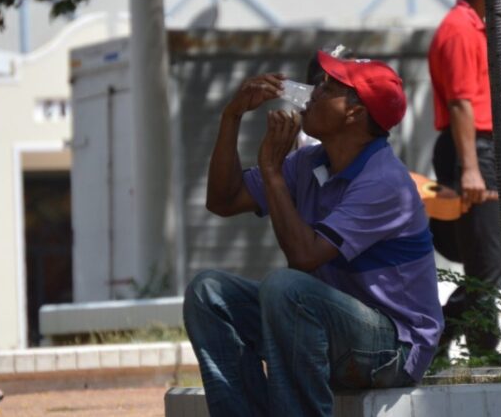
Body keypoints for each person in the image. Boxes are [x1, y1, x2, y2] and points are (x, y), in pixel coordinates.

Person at [183, 50, 443, 417]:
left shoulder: (383, 181)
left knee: (286, 288)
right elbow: (222, 201)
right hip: (332, 328)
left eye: (329, 87)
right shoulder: (311, 161)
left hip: (392, 348)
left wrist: (272, 172)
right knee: (209, 293)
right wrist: (233, 114)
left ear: (355, 112)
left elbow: (303, 258)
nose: (313, 91)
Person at [427, 0, 501, 355]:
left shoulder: (477, 28)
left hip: (483, 149)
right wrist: (471, 168)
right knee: (487, 264)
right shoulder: (459, 30)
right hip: (471, 150)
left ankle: (449, 340)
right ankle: (469, 347)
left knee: (497, 258)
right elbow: (459, 103)